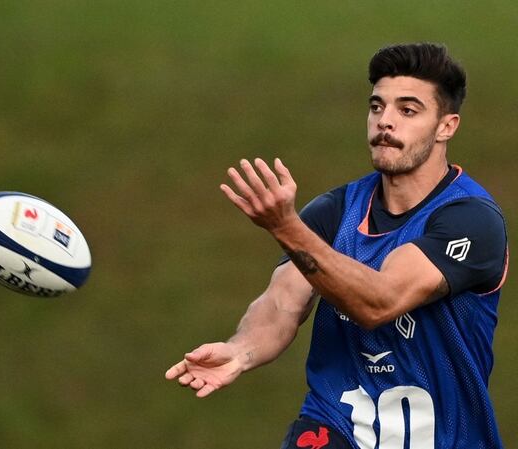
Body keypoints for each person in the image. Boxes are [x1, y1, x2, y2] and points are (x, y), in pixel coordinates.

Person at [164, 43, 509, 448]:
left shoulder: (471, 221)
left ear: (446, 126)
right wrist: (239, 350)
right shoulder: (335, 211)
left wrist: (286, 227)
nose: (385, 122)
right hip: (336, 429)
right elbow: (281, 304)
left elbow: (379, 302)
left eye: (408, 110)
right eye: (377, 107)